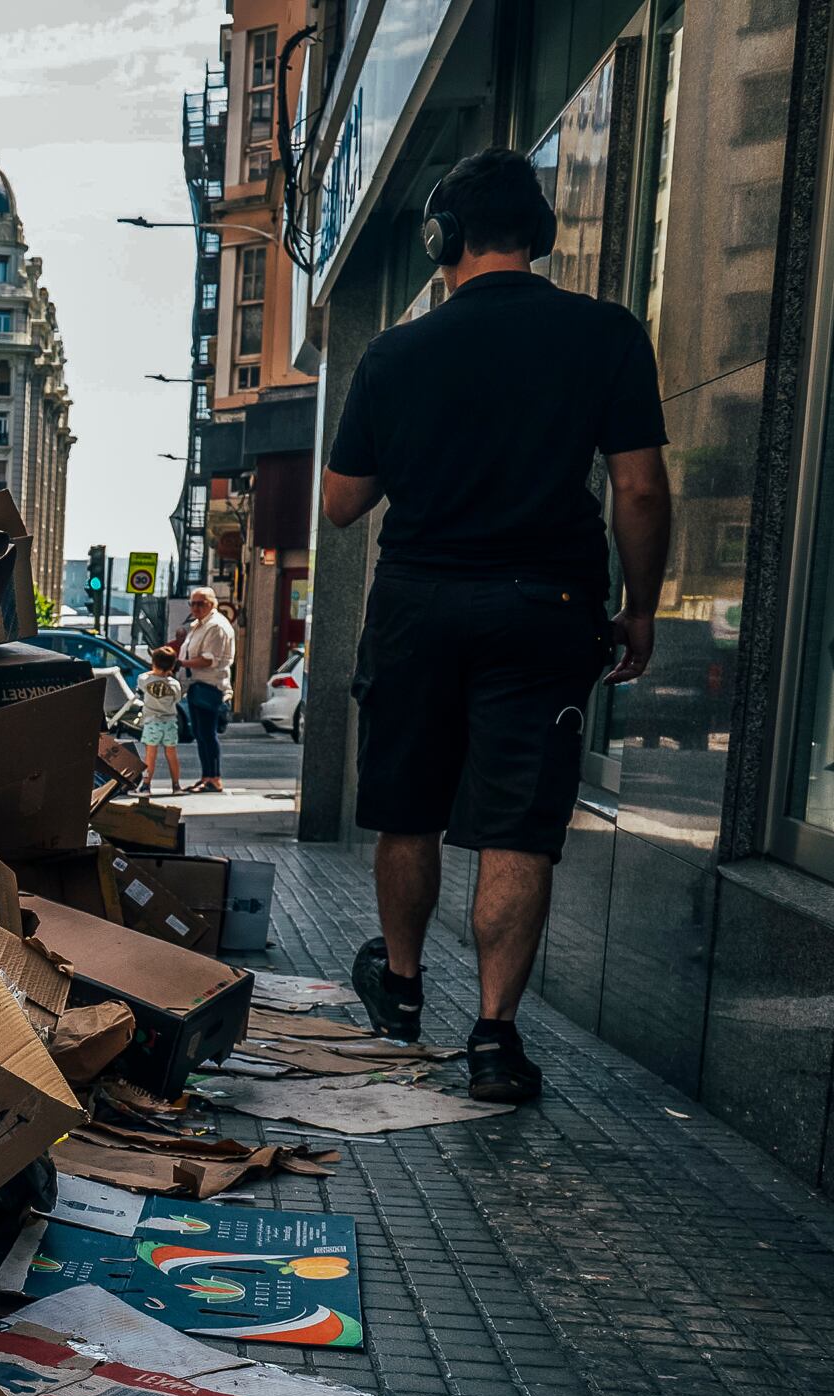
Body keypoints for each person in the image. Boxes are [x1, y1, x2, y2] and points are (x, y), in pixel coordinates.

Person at [322, 146, 670, 1105]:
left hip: (419, 603)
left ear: (442, 241)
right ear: (539, 236)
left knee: (410, 806)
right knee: (520, 825)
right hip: (547, 607)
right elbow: (639, 487)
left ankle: (397, 992)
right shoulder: (606, 335)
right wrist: (639, 608)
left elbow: (343, 503)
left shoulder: (397, 352)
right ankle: (493, 1040)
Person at [174, 587, 236, 792]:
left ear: (212, 604)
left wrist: (181, 663)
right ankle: (206, 776)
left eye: (200, 603)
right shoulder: (199, 625)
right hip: (196, 685)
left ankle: (214, 777)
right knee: (200, 734)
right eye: (192, 603)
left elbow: (209, 660)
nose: (195, 607)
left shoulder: (215, 626)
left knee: (207, 734)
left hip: (209, 685)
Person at [137, 656, 186, 793]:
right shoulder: (174, 684)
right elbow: (177, 698)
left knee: (150, 755)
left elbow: (141, 680)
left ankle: (146, 785)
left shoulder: (145, 680)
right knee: (171, 754)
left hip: (152, 721)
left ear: (153, 664)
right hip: (169, 722)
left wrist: (152, 672)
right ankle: (176, 785)